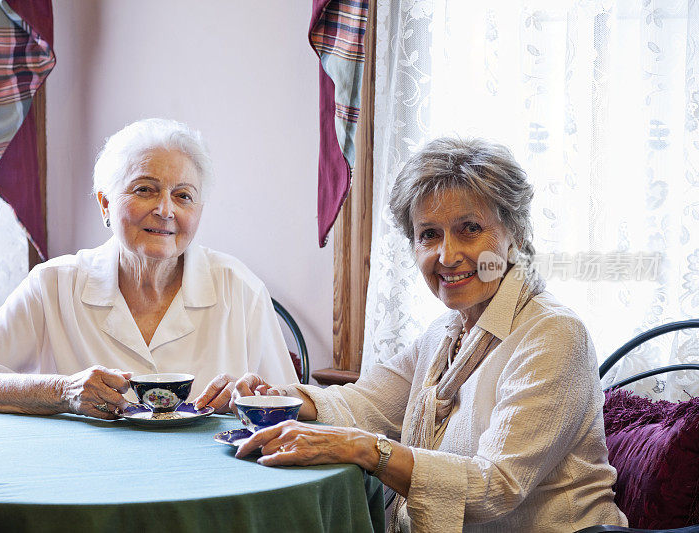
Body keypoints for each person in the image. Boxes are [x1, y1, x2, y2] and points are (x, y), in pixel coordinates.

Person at [196, 138, 627, 532]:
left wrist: (368, 450)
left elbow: (496, 486)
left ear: (514, 235)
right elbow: (364, 403)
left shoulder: (553, 334)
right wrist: (272, 398)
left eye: (470, 229)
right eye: (429, 235)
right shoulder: (444, 331)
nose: (447, 255)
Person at [0, 118, 297, 420]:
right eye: (145, 190)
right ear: (105, 203)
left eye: (183, 195)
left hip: (210, 490)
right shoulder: (55, 284)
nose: (166, 210)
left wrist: (246, 400)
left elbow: (289, 406)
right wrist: (64, 391)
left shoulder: (240, 289)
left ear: (199, 210)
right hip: (80, 487)